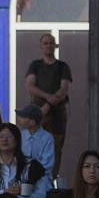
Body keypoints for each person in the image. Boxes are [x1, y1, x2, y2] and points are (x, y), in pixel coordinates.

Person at [24, 33, 74, 177]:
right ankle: (32, 177)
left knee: (55, 147)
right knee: (33, 144)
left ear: (56, 46)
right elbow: (30, 86)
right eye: (45, 43)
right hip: (36, 113)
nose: (48, 45)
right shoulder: (35, 65)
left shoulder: (63, 66)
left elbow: (64, 89)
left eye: (51, 43)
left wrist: (49, 105)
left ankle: (51, 179)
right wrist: (47, 98)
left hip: (57, 114)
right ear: (40, 46)